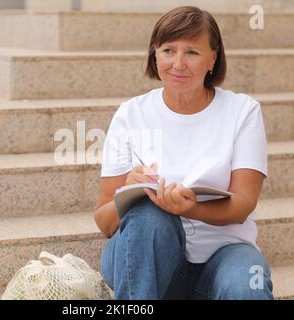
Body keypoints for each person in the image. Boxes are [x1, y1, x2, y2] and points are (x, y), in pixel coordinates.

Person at [93, 6, 274, 300]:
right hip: (145, 259)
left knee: (246, 284)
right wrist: (128, 188)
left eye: (192, 52)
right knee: (149, 216)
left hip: (224, 253)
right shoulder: (131, 114)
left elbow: (243, 204)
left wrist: (190, 209)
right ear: (155, 54)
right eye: (168, 50)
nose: (178, 64)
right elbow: (104, 222)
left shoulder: (243, 111)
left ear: (213, 57)